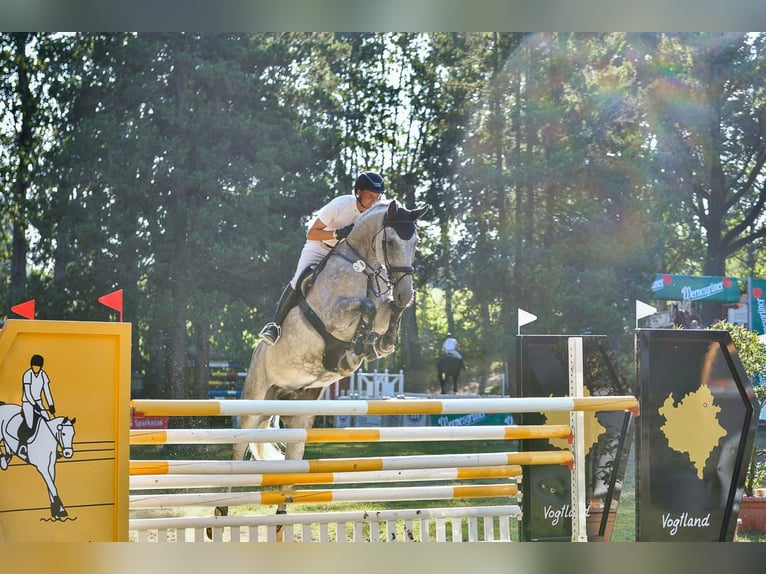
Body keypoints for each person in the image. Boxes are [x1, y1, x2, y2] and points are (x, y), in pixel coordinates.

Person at [259, 171, 386, 345]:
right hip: (319, 247)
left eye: (377, 197)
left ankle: (367, 333)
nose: (374, 201)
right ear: (358, 192)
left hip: (347, 256)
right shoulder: (340, 204)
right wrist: (337, 233)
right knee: (298, 280)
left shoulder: (373, 215)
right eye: (370, 196)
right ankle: (275, 326)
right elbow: (311, 233)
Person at [17, 354, 56, 458]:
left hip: (39, 402)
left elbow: (47, 391)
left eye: (38, 366)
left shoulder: (43, 375)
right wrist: (34, 405)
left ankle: (50, 448)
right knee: (30, 424)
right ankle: (22, 446)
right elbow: (28, 393)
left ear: (41, 367)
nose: (36, 368)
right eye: (34, 366)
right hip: (28, 402)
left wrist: (51, 405)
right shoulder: (27, 374)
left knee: (47, 422)